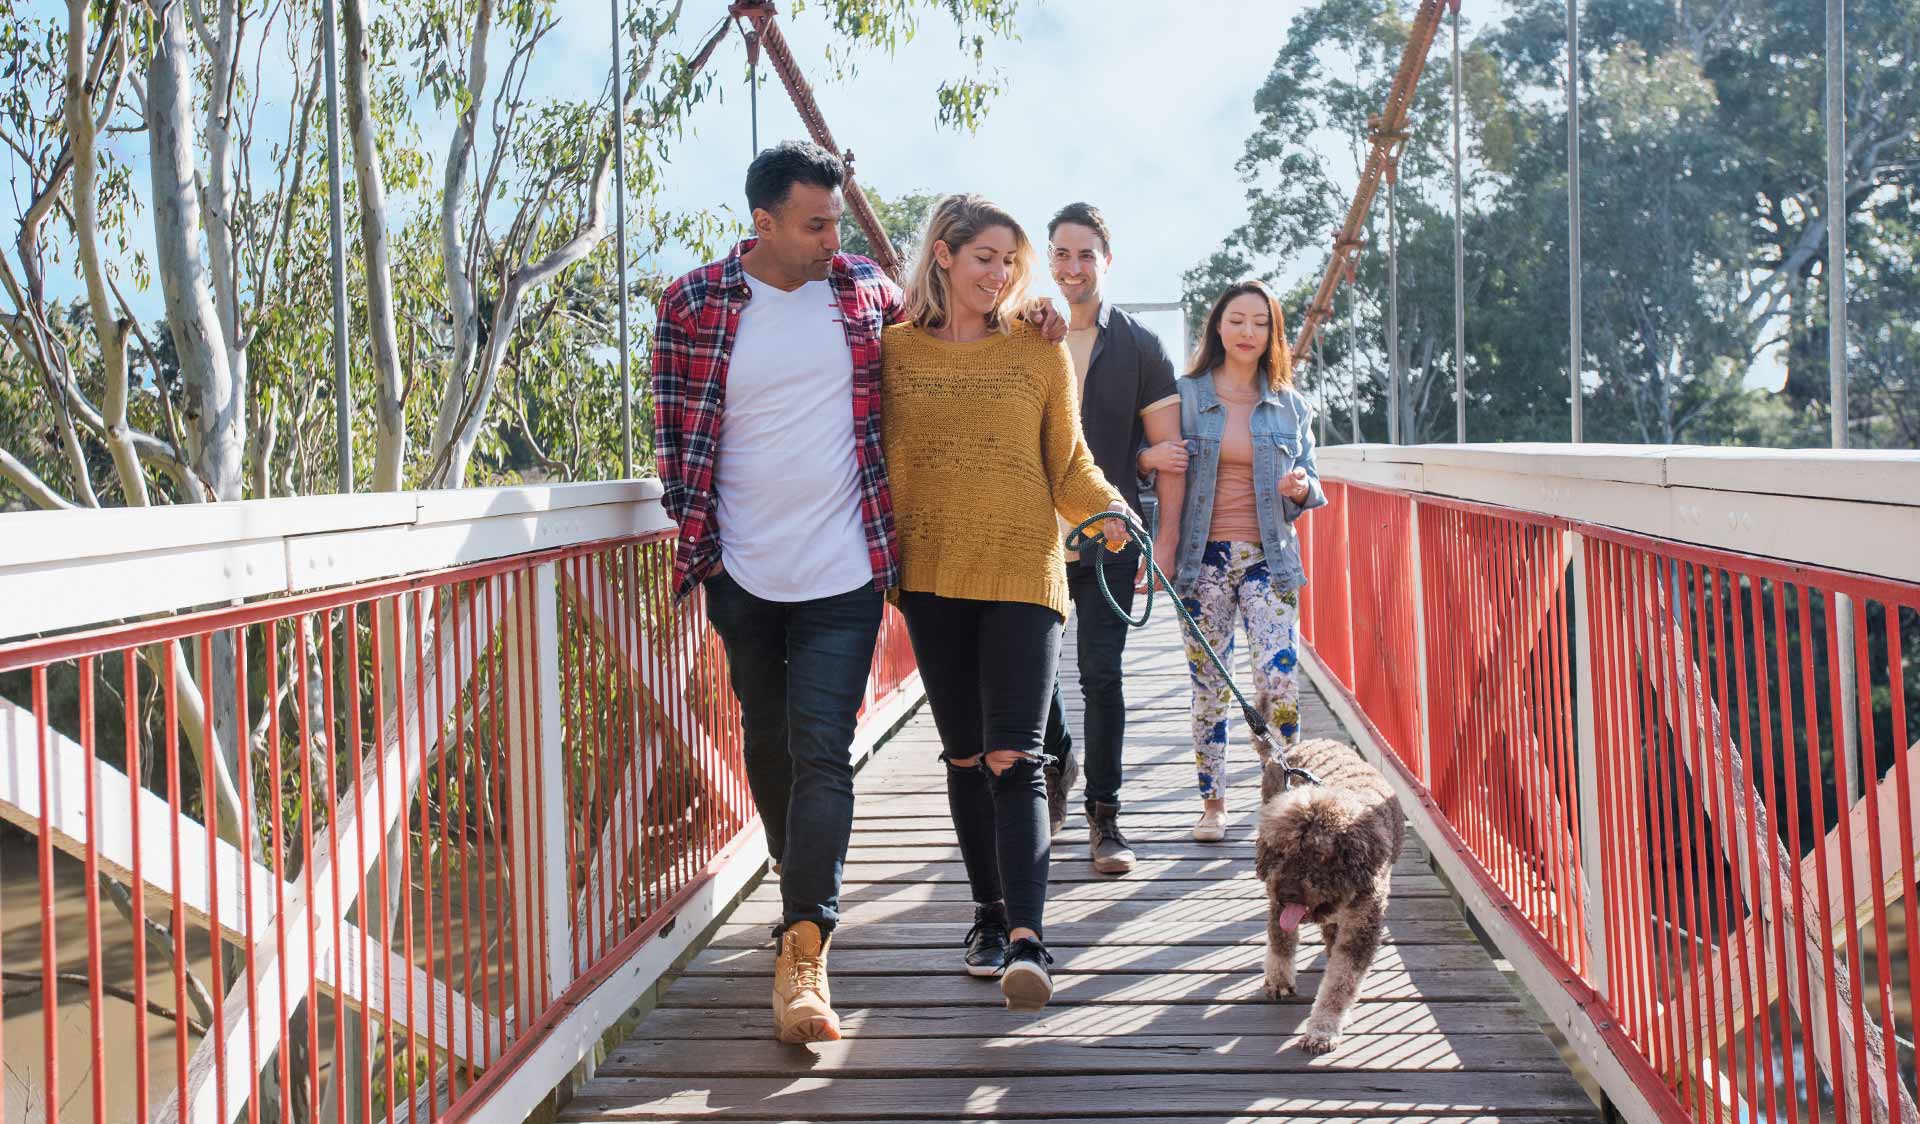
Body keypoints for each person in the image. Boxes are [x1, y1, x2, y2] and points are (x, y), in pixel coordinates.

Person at [881, 193, 1130, 1011]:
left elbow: (1069, 464)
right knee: (964, 757)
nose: (998, 274)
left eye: (1008, 262)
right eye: (983, 257)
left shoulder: (1037, 351)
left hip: (1024, 570)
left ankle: (1029, 938)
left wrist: (1111, 509)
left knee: (1014, 757)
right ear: (943, 256)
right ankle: (987, 916)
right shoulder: (892, 354)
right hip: (930, 575)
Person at [1035, 204, 1184, 877]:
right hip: (1031, 536)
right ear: (1048, 258)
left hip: (1112, 536)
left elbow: (1169, 453)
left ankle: (1105, 814)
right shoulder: (1024, 333)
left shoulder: (1142, 347)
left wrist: (1166, 543)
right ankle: (1059, 760)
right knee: (1033, 675)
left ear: (1107, 259)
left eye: (1085, 254)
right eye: (1062, 254)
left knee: (1101, 673)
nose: (1073, 268)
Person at [1150, 280, 1326, 843]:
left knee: (1279, 681)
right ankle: (1214, 805)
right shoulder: (1184, 396)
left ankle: (1282, 802)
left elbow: (1311, 479)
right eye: (1236, 320)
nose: (1248, 331)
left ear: (1273, 333)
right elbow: (1148, 462)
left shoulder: (1291, 404)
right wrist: (1147, 456)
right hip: (1202, 559)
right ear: (1218, 327)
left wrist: (1301, 486)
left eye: (1260, 322)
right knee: (1209, 686)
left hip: (1269, 561)